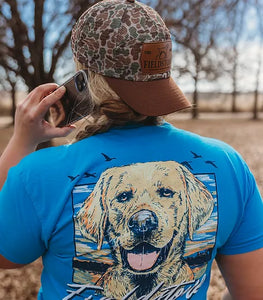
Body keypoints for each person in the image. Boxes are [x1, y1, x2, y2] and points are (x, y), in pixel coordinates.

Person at [0, 0, 263, 299]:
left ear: (82, 78)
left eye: (166, 193)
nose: (143, 217)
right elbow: (254, 291)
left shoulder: (38, 173)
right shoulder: (227, 165)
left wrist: (22, 141)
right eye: (124, 197)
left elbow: (5, 257)